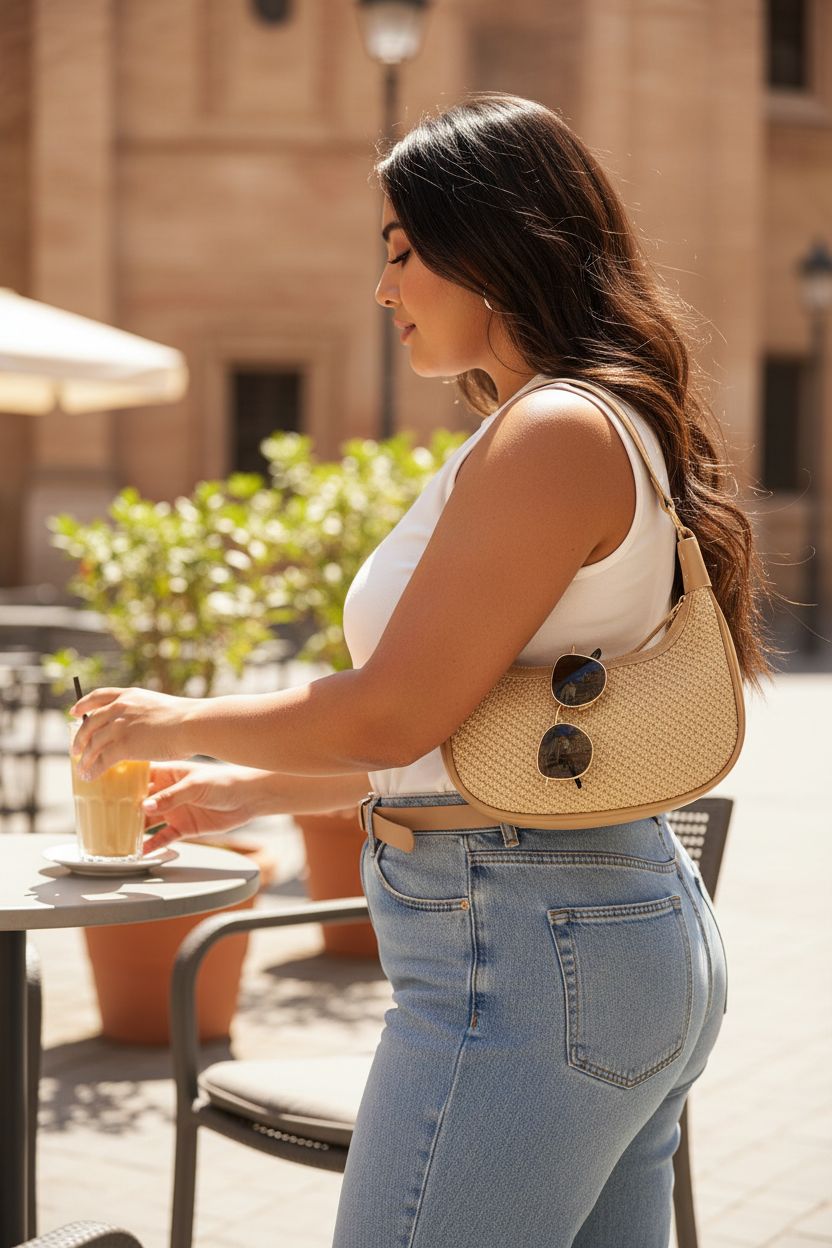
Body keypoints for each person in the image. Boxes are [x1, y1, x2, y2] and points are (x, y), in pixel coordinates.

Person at [72, 93, 774, 1246]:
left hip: (528, 955)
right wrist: (258, 791)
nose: (384, 289)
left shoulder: (553, 432)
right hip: (590, 936)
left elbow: (392, 707)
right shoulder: (585, 423)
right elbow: (486, 734)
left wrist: (171, 717)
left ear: (492, 244)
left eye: (402, 251)